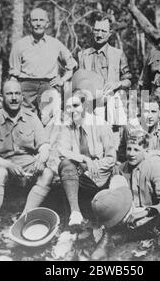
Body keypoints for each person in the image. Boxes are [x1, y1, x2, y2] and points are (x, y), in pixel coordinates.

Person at [0, 79, 53, 248]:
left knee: (47, 173)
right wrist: (7, 165)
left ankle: (22, 222)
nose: (14, 98)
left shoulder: (32, 118)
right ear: (1, 97)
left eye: (17, 94)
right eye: (9, 94)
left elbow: (45, 145)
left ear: (22, 96)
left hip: (27, 167)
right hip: (0, 167)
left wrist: (41, 159)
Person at [90, 130, 160, 260]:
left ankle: (126, 236)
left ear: (145, 151)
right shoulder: (120, 169)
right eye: (129, 149)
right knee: (117, 181)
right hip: (125, 216)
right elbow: (113, 203)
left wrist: (146, 212)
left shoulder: (153, 168)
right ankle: (107, 238)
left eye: (136, 149)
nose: (131, 154)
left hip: (147, 216)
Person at [57, 90, 116, 227]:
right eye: (68, 108)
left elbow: (111, 158)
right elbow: (62, 151)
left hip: (100, 175)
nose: (72, 110)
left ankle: (93, 217)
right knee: (65, 164)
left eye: (76, 105)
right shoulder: (68, 127)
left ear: (84, 106)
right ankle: (75, 213)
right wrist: (84, 159)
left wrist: (93, 166)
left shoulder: (100, 124)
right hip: (80, 173)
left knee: (70, 169)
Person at [9, 7, 77, 115]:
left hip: (48, 85)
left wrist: (62, 80)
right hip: (26, 87)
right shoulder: (19, 45)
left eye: (41, 20)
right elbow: (13, 75)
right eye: (34, 20)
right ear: (29, 23)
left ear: (47, 23)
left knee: (49, 120)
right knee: (25, 120)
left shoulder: (55, 44)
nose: (38, 24)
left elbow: (71, 65)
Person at [77, 14, 131, 128]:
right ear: (92, 31)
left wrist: (117, 84)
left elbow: (128, 81)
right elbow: (78, 83)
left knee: (114, 139)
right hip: (91, 104)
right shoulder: (83, 55)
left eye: (103, 31)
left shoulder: (118, 54)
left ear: (110, 33)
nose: (99, 34)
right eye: (96, 30)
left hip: (112, 103)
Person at [118, 94, 160, 183]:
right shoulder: (131, 128)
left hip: (158, 171)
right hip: (135, 170)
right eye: (146, 111)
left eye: (153, 111)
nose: (149, 116)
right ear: (140, 111)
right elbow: (124, 155)